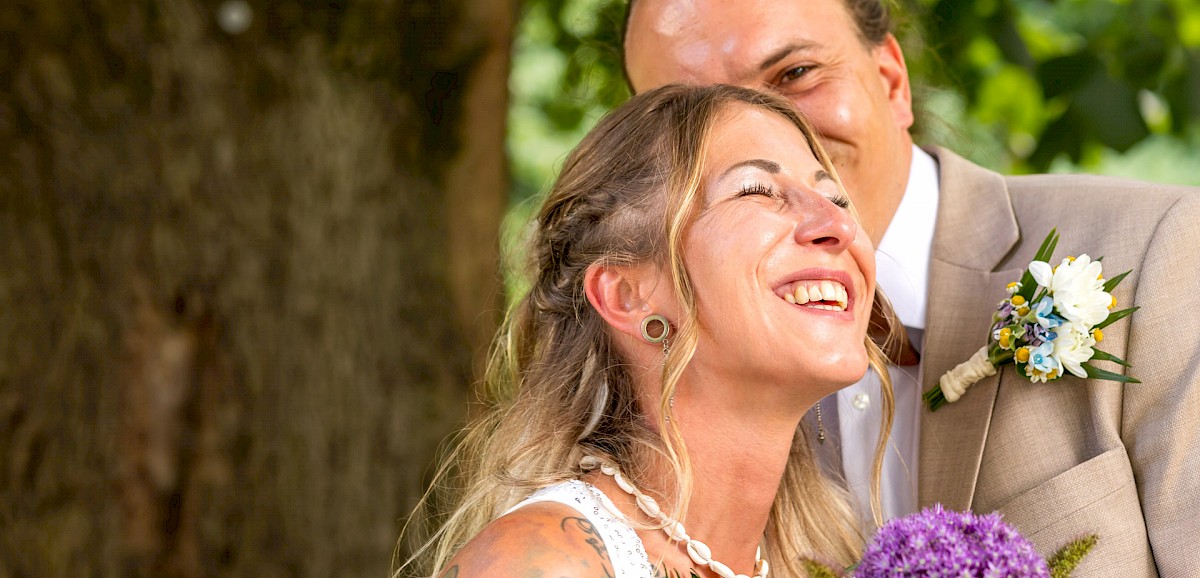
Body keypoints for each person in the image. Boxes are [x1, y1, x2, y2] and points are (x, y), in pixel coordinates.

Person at [622, 0, 1200, 575]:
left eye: (794, 74)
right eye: (691, 114)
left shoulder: (1157, 252)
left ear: (893, 81)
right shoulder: (669, 367)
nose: (763, 140)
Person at [398, 84, 896, 578]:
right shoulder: (542, 563)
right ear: (627, 295)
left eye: (836, 197)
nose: (840, 225)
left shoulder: (827, 557)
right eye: (756, 190)